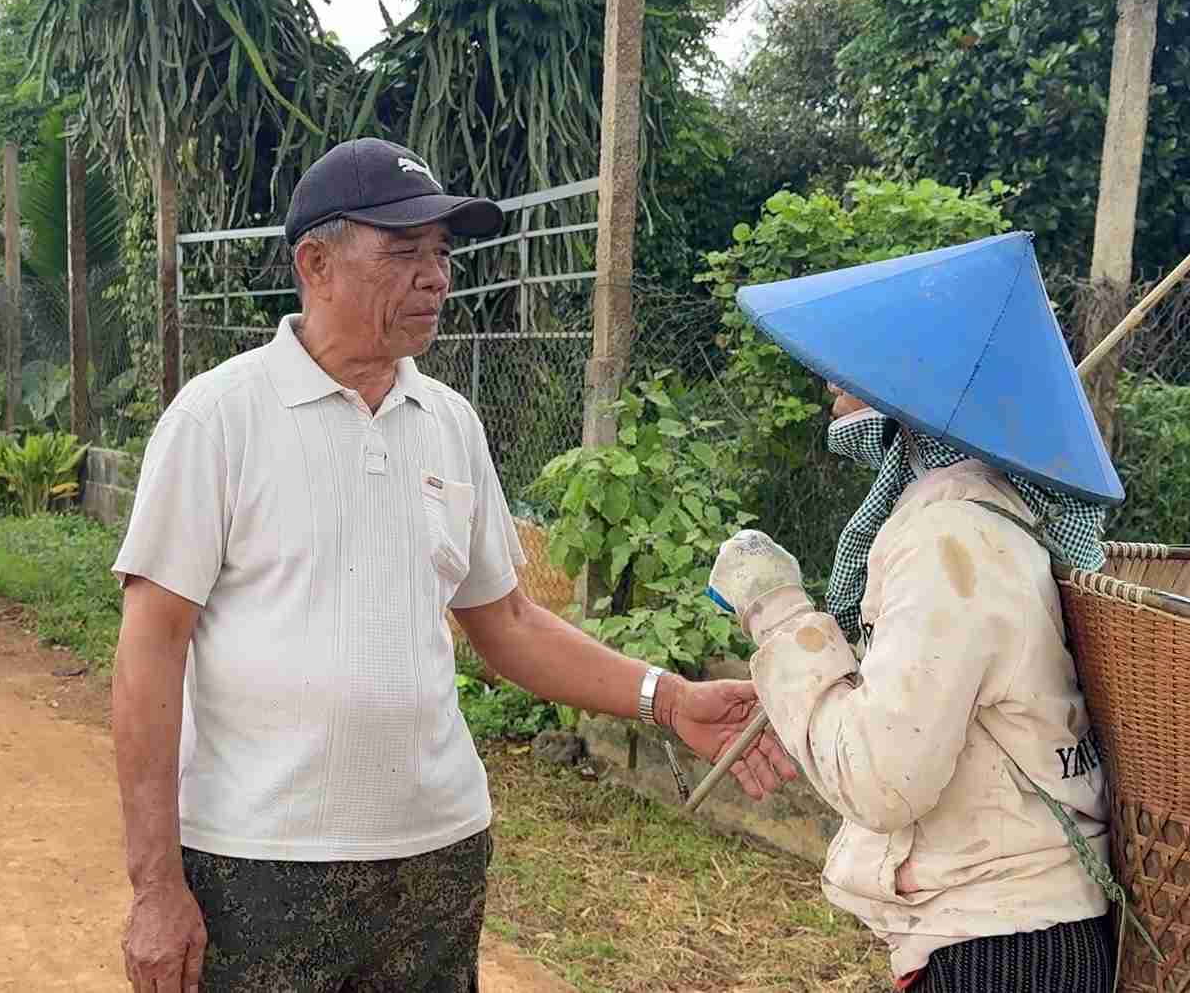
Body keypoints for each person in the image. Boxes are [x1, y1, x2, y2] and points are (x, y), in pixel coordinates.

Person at [107, 137, 795, 993]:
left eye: (441, 254)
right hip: (261, 867)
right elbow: (149, 651)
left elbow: (505, 621)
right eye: (403, 253)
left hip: (436, 861)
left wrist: (670, 697)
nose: (436, 277)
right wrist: (156, 885)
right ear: (315, 264)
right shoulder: (218, 418)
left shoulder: (449, 421)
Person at [702, 233, 1124, 992]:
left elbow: (881, 776)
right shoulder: (991, 512)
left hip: (1003, 950)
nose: (831, 378)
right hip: (1019, 932)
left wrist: (774, 610)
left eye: (856, 357)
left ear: (916, 381)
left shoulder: (948, 536)